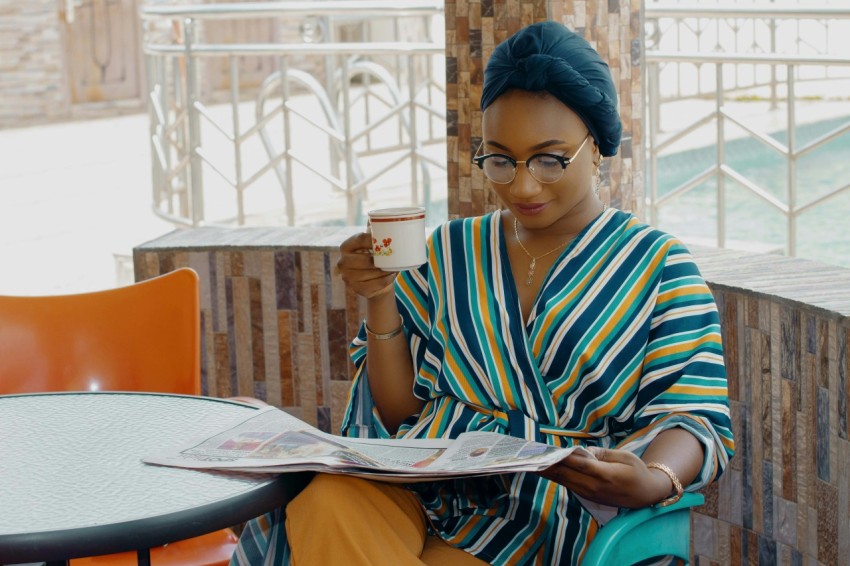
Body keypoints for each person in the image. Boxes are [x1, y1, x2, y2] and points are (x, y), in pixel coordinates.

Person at [231, 20, 734, 565]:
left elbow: (693, 415)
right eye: (499, 159)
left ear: (598, 146)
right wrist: (381, 297)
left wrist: (655, 477)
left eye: (549, 159)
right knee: (326, 500)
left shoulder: (657, 264)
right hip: (421, 488)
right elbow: (401, 413)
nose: (521, 186)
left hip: (546, 514)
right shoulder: (449, 250)